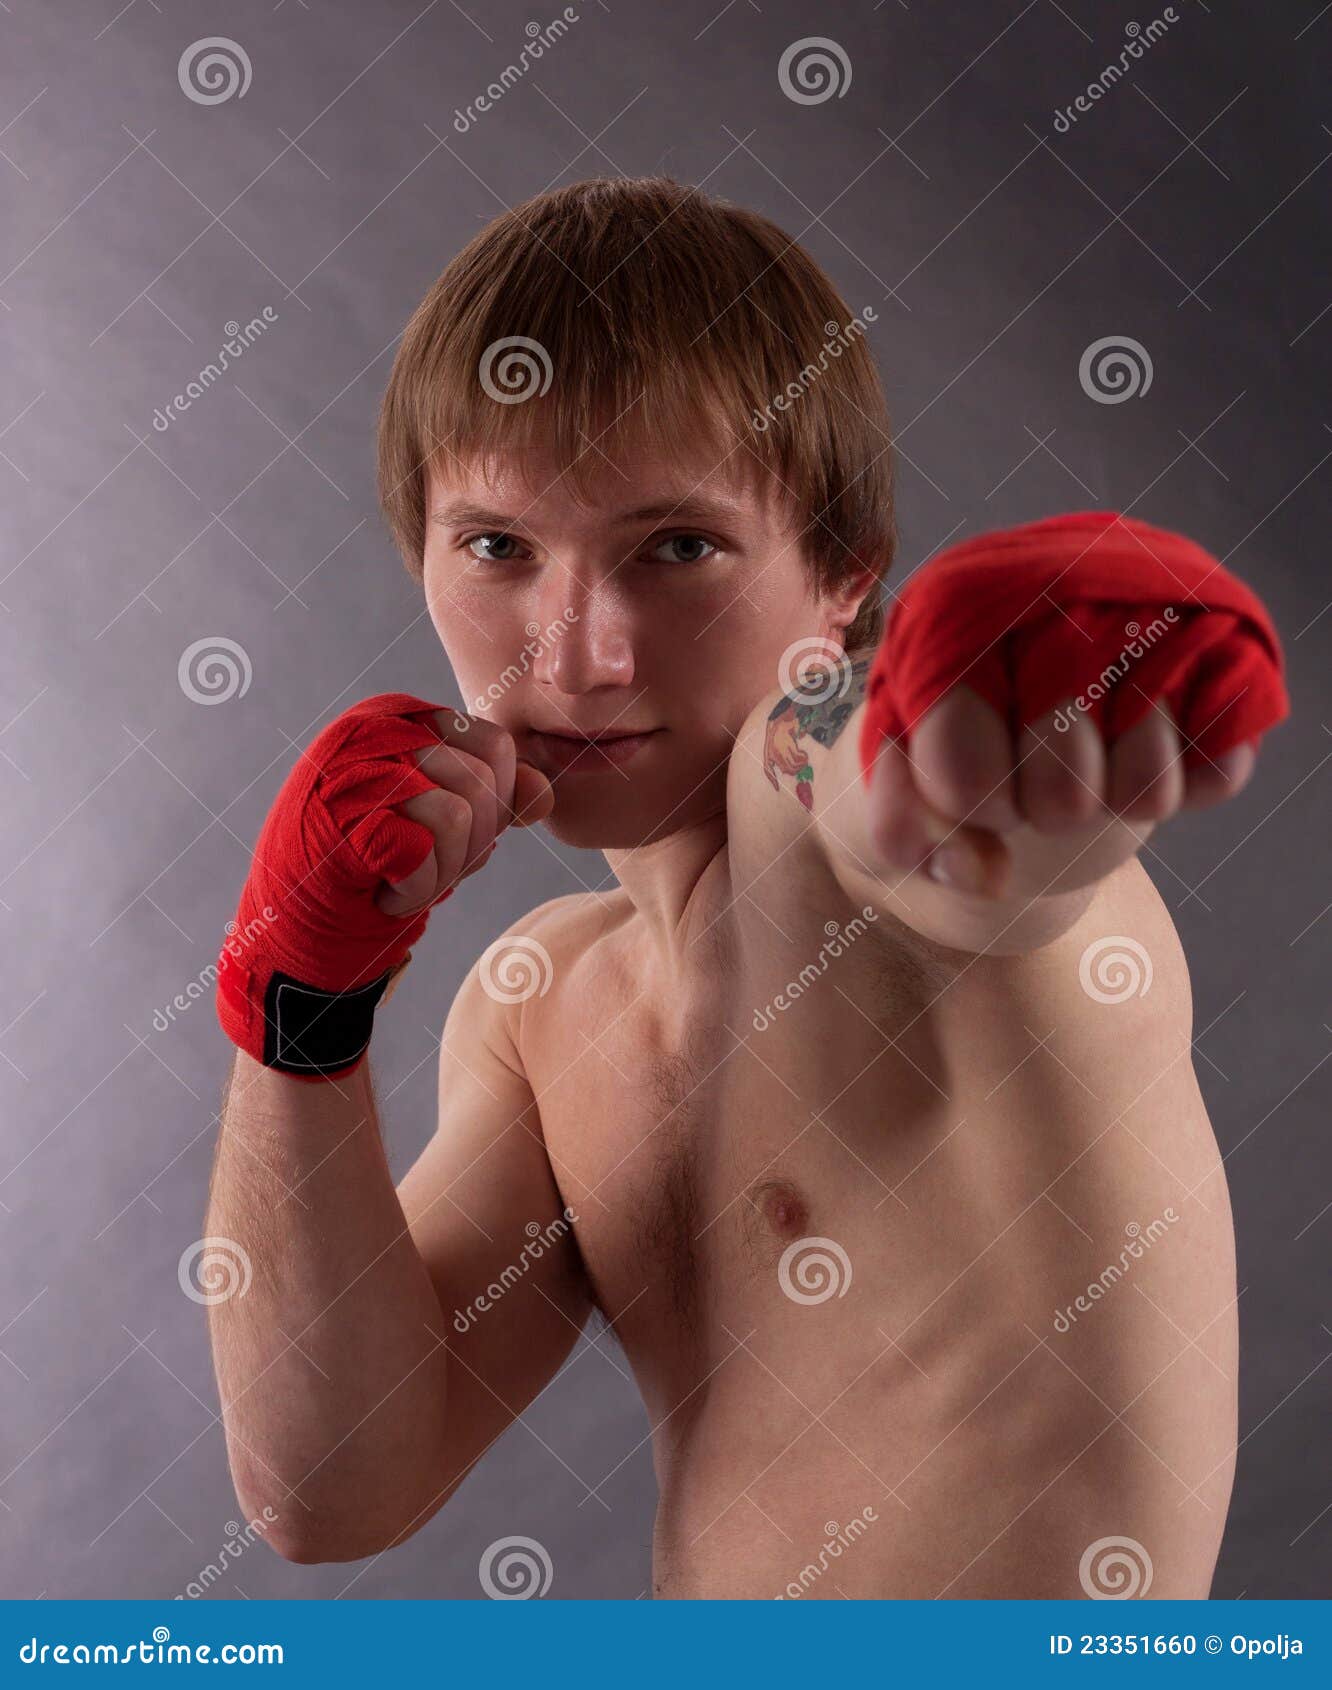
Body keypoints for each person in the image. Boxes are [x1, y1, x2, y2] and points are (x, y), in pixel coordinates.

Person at [203, 177, 1288, 1599]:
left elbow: (883, 806)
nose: (578, 654)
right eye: (498, 548)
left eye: (677, 547)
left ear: (845, 577)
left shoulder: (823, 795)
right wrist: (300, 999)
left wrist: (989, 715)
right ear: (422, 556)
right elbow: (330, 1485)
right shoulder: (543, 1004)